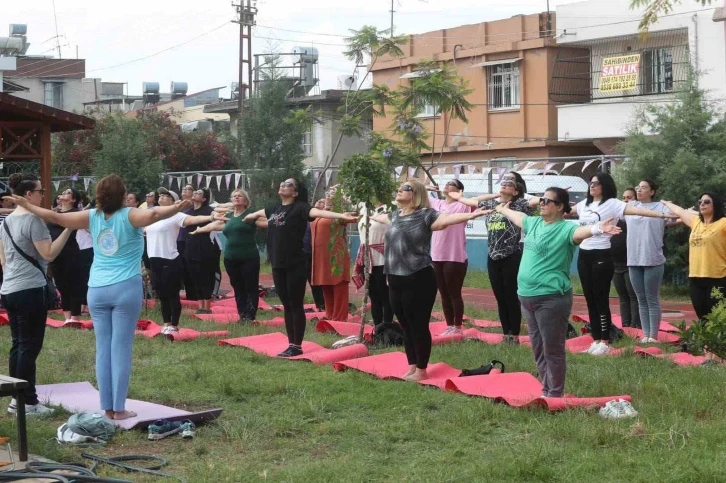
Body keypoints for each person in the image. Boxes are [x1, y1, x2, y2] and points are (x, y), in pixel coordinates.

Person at [6, 174, 192, 420]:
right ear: (122, 194)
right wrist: (178, 206)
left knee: (103, 348)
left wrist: (26, 204)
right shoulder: (130, 215)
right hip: (125, 287)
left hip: (97, 289)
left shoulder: (91, 216)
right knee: (121, 348)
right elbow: (155, 215)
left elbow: (55, 217)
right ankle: (119, 408)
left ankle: (107, 407)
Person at [494, 188, 621, 397]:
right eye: (541, 199)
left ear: (560, 206)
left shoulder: (565, 229)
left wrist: (598, 228)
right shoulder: (533, 223)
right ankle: (547, 388)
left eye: (547, 201)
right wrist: (502, 209)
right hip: (526, 296)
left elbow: (581, 233)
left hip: (551, 298)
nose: (541, 203)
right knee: (537, 347)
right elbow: (518, 216)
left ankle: (554, 393)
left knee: (552, 349)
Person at [371, 180, 487, 381]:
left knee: (418, 324)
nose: (399, 190)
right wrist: (358, 212)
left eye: (405, 188)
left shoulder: (426, 215)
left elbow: (447, 219)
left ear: (416, 193)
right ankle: (412, 366)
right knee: (405, 324)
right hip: (395, 278)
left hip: (419, 277)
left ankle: (422, 370)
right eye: (400, 187)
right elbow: (378, 217)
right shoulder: (395, 216)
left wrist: (471, 214)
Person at [244, 178, 357, 357]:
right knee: (287, 305)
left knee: (295, 304)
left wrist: (342, 216)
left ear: (295, 193)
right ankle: (291, 343)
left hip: (295, 263)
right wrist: (249, 216)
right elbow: (259, 213)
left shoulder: (300, 208)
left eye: (288, 184)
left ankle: (296, 345)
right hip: (277, 264)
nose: (283, 185)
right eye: (282, 183)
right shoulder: (274, 208)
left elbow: (320, 212)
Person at [570, 173, 676, 355]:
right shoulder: (584, 205)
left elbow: (640, 211)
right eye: (591, 183)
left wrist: (661, 214)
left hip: (602, 254)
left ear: (605, 185)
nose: (592, 186)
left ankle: (605, 340)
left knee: (600, 298)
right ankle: (595, 339)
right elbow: (563, 210)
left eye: (596, 183)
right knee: (589, 299)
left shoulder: (612, 203)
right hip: (584, 255)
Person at [0, 173, 72, 415]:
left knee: (18, 344)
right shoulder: (34, 220)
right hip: (30, 290)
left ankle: (14, 399)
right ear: (28, 195)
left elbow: (3, 260)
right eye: (41, 191)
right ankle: (27, 401)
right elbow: (49, 253)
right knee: (29, 347)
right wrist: (68, 230)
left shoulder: (7, 221)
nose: (44, 194)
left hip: (10, 289)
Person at [451, 177, 534, 342]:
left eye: (509, 185)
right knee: (500, 297)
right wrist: (459, 196)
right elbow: (472, 201)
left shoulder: (519, 205)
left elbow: (535, 202)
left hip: (511, 255)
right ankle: (506, 334)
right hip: (493, 256)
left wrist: (548, 198)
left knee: (511, 296)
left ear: (516, 192)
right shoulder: (492, 205)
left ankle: (514, 334)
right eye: (502, 183)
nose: (504, 185)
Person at [145, 188, 225, 334]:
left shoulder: (176, 216)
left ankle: (174, 325)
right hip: (153, 260)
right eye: (160, 195)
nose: (162, 197)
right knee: (161, 295)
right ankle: (166, 323)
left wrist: (212, 217)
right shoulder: (152, 216)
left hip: (169, 259)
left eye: (166, 196)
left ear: (173, 201)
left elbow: (194, 219)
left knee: (172, 294)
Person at [193, 189, 266, 322]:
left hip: (249, 257)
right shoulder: (229, 216)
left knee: (250, 286)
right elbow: (214, 225)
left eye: (240, 196)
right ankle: (242, 314)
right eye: (234, 196)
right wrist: (198, 230)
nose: (237, 198)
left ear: (245, 200)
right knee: (237, 286)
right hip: (231, 258)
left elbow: (267, 222)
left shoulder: (251, 215)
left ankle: (250, 316)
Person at [663, 193, 726, 322]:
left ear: (716, 204)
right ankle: (707, 341)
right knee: (702, 314)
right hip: (696, 277)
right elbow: (680, 211)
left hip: (718, 277)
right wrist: (664, 202)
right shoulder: (696, 221)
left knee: (717, 315)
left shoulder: (723, 223)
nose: (702, 204)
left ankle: (718, 342)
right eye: (700, 202)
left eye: (707, 201)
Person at [627, 180, 674, 341]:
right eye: (637, 187)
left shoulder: (660, 208)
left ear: (652, 192)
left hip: (653, 259)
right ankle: (645, 335)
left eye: (644, 187)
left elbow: (675, 217)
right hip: (633, 259)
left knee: (651, 298)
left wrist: (669, 204)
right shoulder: (630, 207)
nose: (639, 190)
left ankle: (653, 336)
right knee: (641, 299)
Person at [425, 180, 472, 335]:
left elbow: (474, 203)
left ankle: (457, 327)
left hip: (454, 256)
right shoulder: (437, 204)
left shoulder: (462, 205)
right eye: (446, 183)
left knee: (454, 292)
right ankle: (450, 326)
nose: (447, 185)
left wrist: (460, 197)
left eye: (451, 184)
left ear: (459, 190)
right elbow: (417, 192)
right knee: (443, 293)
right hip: (437, 255)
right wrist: (426, 187)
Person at [311, 188, 356, 322]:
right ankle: (329, 314)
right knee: (325, 284)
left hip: (335, 255)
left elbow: (356, 214)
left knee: (338, 285)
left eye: (333, 192)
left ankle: (340, 317)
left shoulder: (341, 212)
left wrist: (345, 198)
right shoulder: (319, 212)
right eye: (328, 192)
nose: (328, 194)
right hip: (320, 255)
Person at [47, 188, 84, 324]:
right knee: (61, 285)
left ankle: (74, 317)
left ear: (73, 199)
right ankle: (66, 317)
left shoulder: (75, 213)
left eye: (67, 192)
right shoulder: (54, 213)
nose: (63, 193)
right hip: (56, 253)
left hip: (70, 252)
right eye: (62, 192)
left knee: (73, 284)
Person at [354, 202, 393, 329]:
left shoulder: (390, 208)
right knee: (374, 296)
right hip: (367, 260)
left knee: (385, 296)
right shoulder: (364, 208)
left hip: (383, 259)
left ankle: (387, 327)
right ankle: (377, 328)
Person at [183, 188, 219, 314]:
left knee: (204, 276)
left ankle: (207, 306)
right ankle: (200, 306)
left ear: (204, 199)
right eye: (194, 192)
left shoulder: (209, 211)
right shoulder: (188, 212)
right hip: (190, 246)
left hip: (204, 246)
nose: (194, 194)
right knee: (195, 277)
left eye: (198, 193)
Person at [610, 188, 641, 329]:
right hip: (616, 263)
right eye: (624, 197)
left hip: (630, 262)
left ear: (636, 200)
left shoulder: (636, 218)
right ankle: (625, 325)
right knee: (622, 296)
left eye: (629, 197)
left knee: (633, 295)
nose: (626, 200)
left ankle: (635, 325)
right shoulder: (616, 218)